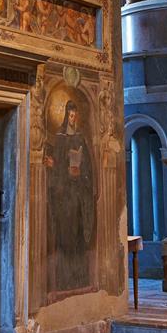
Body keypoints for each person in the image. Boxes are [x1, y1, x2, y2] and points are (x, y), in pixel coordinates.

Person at [45, 100, 94, 292]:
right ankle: (65, 280)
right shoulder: (60, 137)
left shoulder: (81, 138)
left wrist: (80, 172)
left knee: (79, 236)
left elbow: (88, 166)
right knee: (66, 237)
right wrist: (59, 167)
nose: (73, 118)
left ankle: (80, 278)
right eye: (71, 115)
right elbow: (56, 166)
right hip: (64, 198)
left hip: (78, 195)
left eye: (76, 115)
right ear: (66, 115)